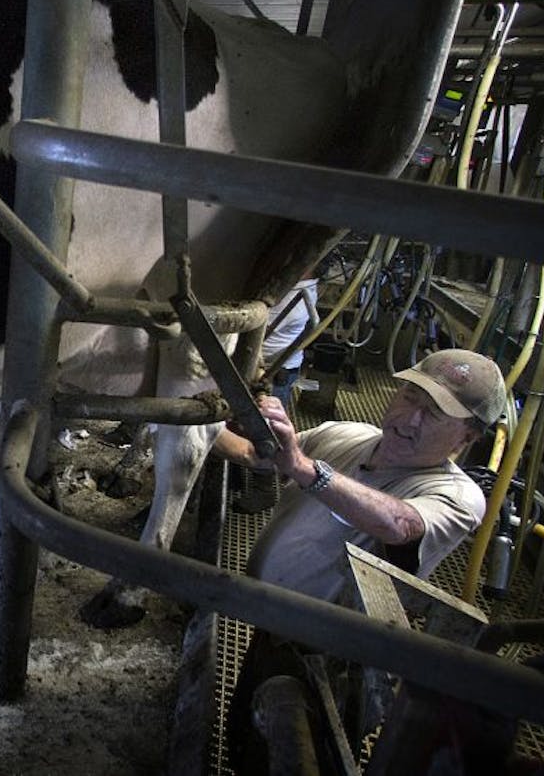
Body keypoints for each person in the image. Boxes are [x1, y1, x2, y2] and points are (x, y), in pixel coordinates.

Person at [215, 348, 505, 773]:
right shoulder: (345, 434)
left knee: (299, 755)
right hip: (272, 627)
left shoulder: (458, 495)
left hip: (330, 662)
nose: (410, 418)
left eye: (435, 414)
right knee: (244, 740)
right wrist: (196, 422)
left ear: (466, 438)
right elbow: (254, 455)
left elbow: (398, 524)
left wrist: (302, 466)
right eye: (410, 396)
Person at [261, 275, 320, 411]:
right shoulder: (308, 285)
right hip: (282, 365)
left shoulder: (291, 294)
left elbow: (252, 329)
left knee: (266, 420)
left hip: (272, 370)